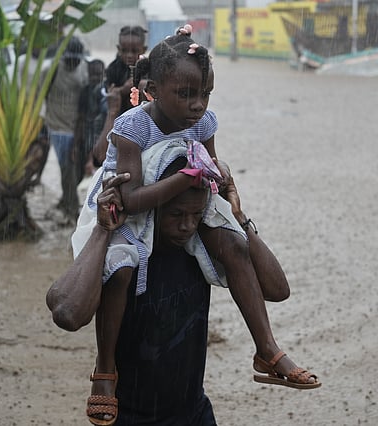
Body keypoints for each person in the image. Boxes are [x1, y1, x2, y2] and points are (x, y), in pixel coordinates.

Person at [70, 24, 320, 424]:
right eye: (185, 94)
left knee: (235, 246)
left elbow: (210, 171)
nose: (197, 105)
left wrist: (227, 202)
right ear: (152, 89)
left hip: (182, 196)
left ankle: (267, 349)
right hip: (126, 208)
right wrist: (186, 179)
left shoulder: (203, 124)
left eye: (204, 94)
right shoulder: (134, 126)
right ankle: (105, 370)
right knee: (120, 270)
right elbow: (131, 199)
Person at [47, 153, 299, 425]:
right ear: (152, 207)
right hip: (129, 417)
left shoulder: (202, 247)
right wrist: (102, 230)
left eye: (195, 214)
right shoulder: (125, 258)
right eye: (176, 214)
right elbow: (67, 313)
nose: (187, 226)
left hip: (194, 413)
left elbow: (277, 289)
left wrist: (236, 216)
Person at [44, 36, 89, 219]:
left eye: (76, 59)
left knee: (76, 168)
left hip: (77, 128)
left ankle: (67, 199)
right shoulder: (51, 69)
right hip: (57, 127)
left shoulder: (84, 70)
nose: (73, 62)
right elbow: (42, 94)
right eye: (70, 58)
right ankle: (71, 208)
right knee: (67, 167)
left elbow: (86, 99)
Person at [104, 25, 148, 115]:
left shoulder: (148, 67)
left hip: (144, 112)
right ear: (119, 49)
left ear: (144, 50)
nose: (129, 55)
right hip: (120, 113)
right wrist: (124, 89)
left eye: (134, 51)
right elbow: (110, 93)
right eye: (124, 51)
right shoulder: (114, 68)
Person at [75, 58, 106, 180]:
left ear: (104, 73)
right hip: (86, 136)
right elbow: (80, 118)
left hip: (102, 136)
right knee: (79, 174)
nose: (94, 78)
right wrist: (76, 145)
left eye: (98, 74)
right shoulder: (85, 91)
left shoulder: (105, 91)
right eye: (92, 74)